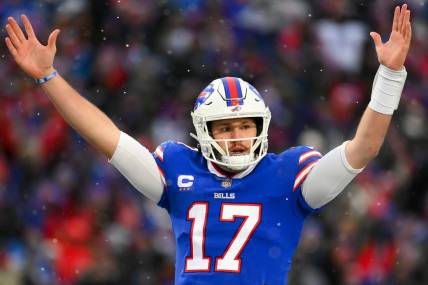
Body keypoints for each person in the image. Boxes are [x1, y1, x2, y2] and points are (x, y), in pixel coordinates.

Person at [4, 4, 411, 285]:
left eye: (245, 125)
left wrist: (390, 75)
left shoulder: (289, 176)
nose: (237, 137)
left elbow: (364, 148)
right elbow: (106, 138)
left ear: (262, 125)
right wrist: (49, 78)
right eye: (225, 127)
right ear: (205, 133)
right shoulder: (179, 170)